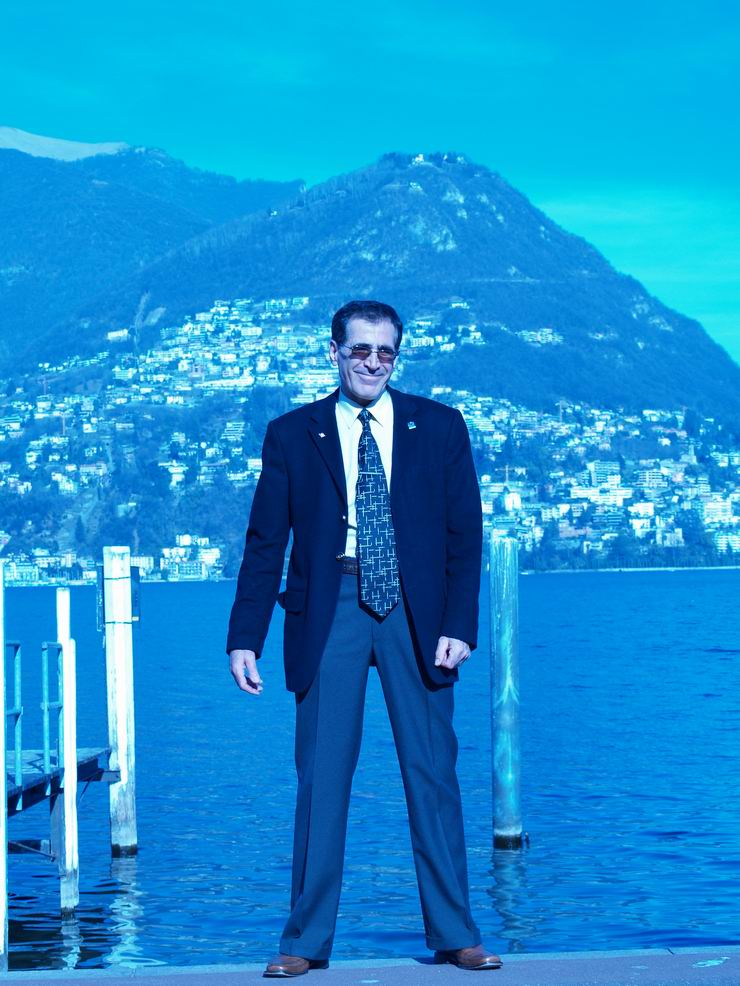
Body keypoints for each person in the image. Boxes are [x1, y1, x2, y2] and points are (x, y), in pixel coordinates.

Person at [226, 299, 502, 976]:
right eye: (360, 350)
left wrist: (460, 626)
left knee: (432, 774)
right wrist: (245, 637)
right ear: (334, 352)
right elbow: (265, 543)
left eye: (386, 352)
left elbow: (466, 537)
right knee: (321, 778)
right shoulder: (292, 434)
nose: (373, 363)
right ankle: (304, 942)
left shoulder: (440, 426)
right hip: (330, 610)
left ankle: (456, 934)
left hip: (419, 615)